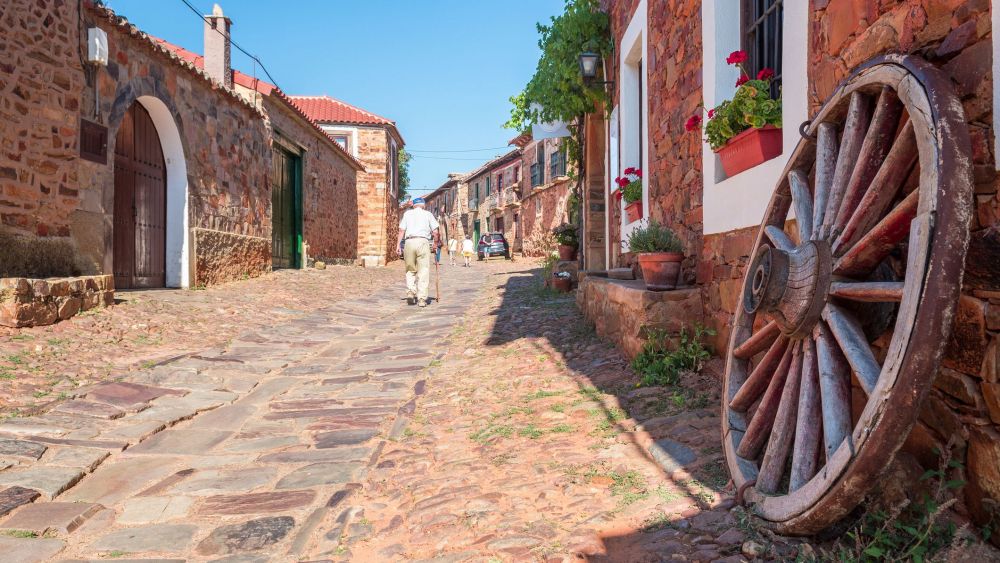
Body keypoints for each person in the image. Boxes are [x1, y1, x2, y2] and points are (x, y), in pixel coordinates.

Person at [397, 198, 440, 307]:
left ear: (414, 205)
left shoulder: (407, 214)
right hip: (422, 241)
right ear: (423, 205)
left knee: (410, 269)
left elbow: (401, 230)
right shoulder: (428, 214)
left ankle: (411, 292)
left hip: (409, 242)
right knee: (423, 270)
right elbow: (435, 232)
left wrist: (398, 245)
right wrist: (435, 244)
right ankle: (421, 299)